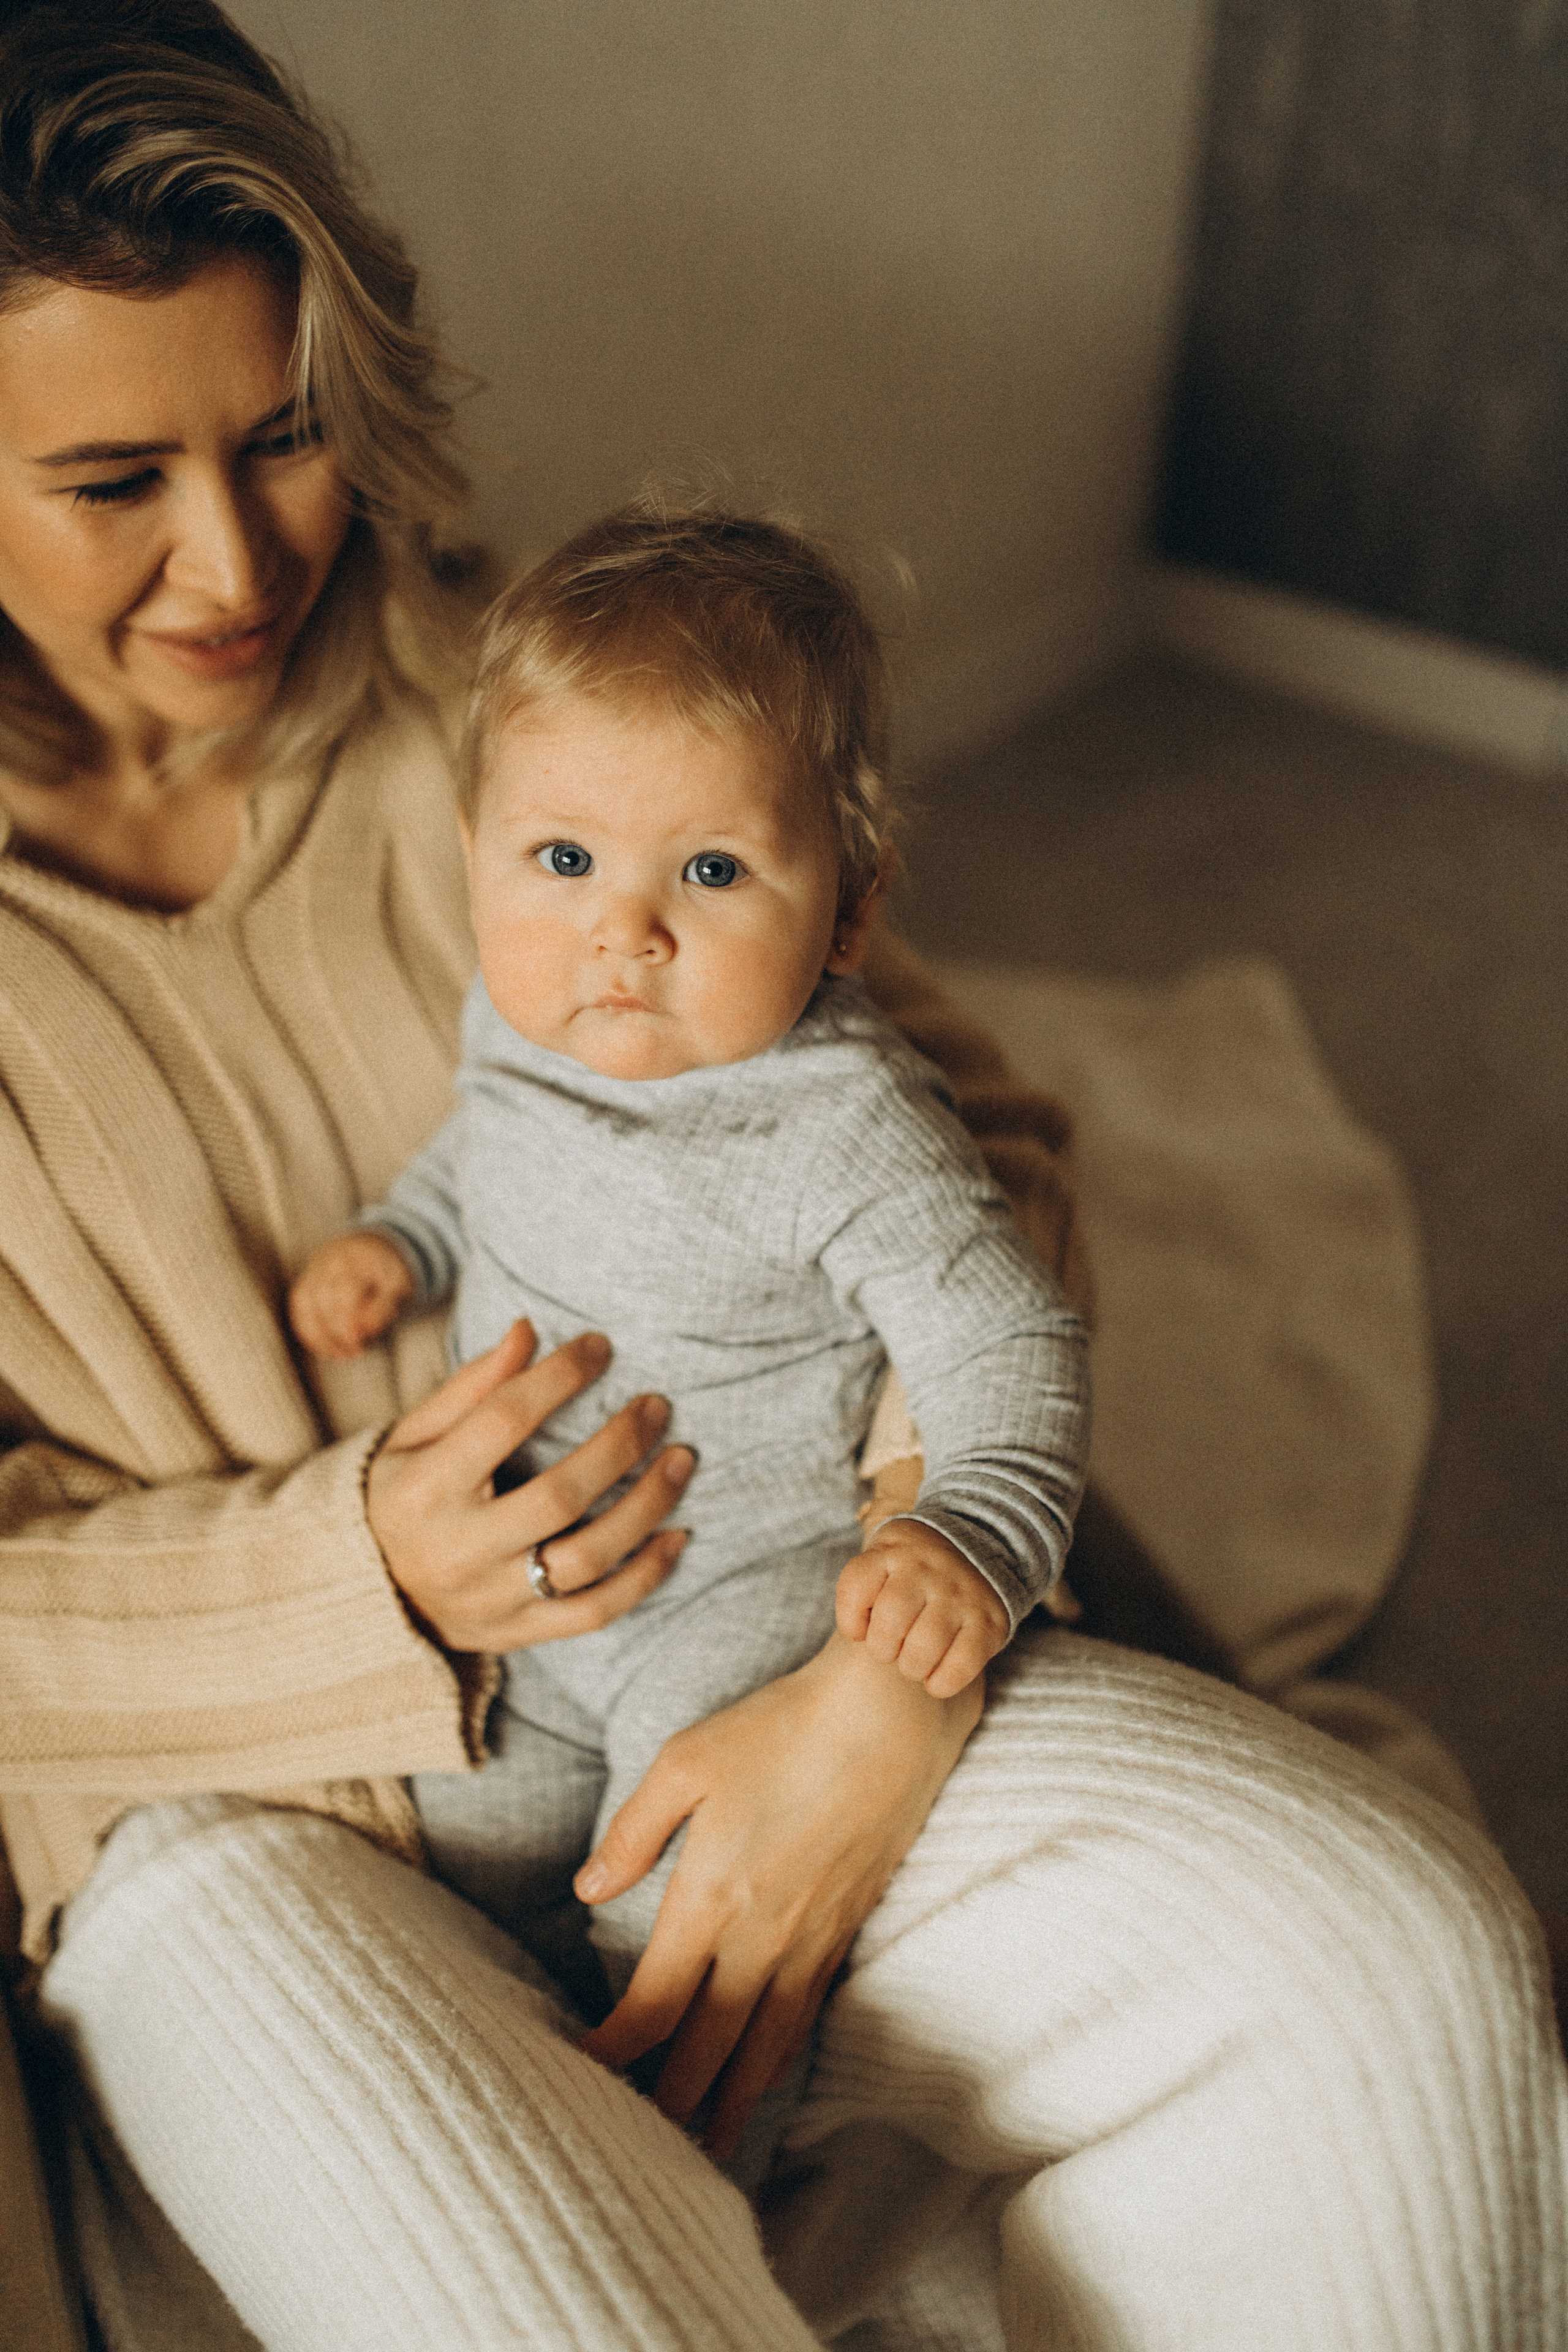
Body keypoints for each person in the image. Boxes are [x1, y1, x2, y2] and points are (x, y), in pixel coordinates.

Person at [0, 6, 1562, 2349]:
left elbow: (970, 1136)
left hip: (766, 1625)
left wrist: (887, 1673)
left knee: (1400, 1974)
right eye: (112, 481)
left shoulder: (489, 687)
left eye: (288, 432)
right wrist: (353, 1566)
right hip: (235, 1818)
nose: (237, 557)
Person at [287, 506, 1090, 2051]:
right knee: (453, 1860)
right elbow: (482, 1150)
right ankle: (533, 2086)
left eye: (711, 870)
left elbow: (1007, 1343)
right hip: (531, 1599)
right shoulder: (516, 1015)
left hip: (735, 1597)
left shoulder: (841, 1124)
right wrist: (403, 1240)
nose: (621, 932)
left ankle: (715, 2142)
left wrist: (965, 1533)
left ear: (849, 909)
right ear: (476, 853)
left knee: (675, 1894)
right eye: (562, 860)